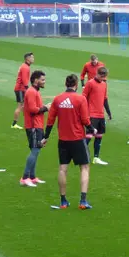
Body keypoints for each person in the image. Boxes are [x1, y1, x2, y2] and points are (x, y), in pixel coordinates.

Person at [44, 74, 93, 210]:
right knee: (84, 167)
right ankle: (83, 201)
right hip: (78, 139)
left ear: (66, 84)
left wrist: (45, 136)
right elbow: (85, 119)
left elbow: (50, 120)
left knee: (63, 169)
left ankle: (63, 201)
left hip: (63, 140)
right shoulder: (80, 99)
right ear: (76, 85)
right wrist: (91, 129)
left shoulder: (58, 99)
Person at [21, 70, 50, 187]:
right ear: (35, 80)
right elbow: (33, 109)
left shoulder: (35, 91)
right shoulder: (32, 92)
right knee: (35, 150)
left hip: (37, 125)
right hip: (33, 126)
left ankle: (32, 177)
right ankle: (24, 178)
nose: (44, 82)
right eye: (42, 80)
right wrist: (46, 108)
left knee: (36, 151)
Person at [82, 67, 112, 165]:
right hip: (92, 114)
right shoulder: (90, 83)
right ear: (97, 74)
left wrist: (108, 112)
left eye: (104, 77)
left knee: (99, 136)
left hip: (100, 115)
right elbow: (83, 98)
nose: (102, 78)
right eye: (101, 76)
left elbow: (105, 99)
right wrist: (84, 112)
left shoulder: (104, 84)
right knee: (89, 136)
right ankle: (82, 155)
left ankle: (96, 158)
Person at [12, 52, 34, 129]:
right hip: (20, 89)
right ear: (27, 59)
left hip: (20, 88)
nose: (33, 59)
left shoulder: (24, 66)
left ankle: (28, 122)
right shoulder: (25, 67)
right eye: (32, 57)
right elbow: (25, 81)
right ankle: (14, 124)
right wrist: (29, 90)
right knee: (20, 106)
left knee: (24, 106)